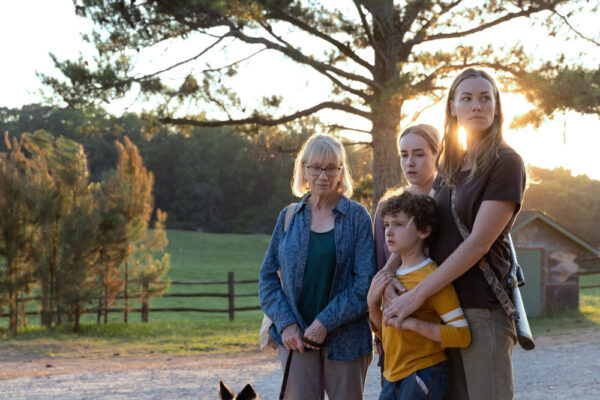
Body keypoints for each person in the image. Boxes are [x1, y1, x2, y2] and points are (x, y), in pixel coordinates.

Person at [382, 68, 527, 400]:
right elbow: (418, 224)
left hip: (481, 308)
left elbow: (478, 243)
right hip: (446, 311)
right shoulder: (450, 164)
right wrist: (388, 272)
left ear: (496, 107)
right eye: (467, 98)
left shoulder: (506, 163)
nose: (476, 106)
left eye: (485, 98)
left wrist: (415, 296)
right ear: (452, 108)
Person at [259, 134, 376, 400]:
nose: (323, 175)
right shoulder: (288, 216)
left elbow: (364, 283)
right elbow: (267, 278)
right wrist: (286, 324)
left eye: (331, 167)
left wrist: (324, 323)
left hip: (347, 343)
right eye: (315, 167)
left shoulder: (357, 216)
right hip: (296, 341)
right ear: (304, 169)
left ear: (341, 171)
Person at [368, 190, 471, 400]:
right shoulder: (389, 279)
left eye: (398, 224)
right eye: (386, 224)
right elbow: (385, 333)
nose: (388, 231)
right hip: (391, 376)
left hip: (424, 373)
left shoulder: (432, 278)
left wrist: (410, 324)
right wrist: (371, 304)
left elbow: (462, 335)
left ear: (423, 231)